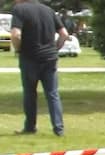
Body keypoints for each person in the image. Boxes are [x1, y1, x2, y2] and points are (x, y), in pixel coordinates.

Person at [10, 0, 68, 137]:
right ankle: (58, 128)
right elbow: (64, 34)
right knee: (52, 93)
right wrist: (56, 48)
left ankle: (30, 127)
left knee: (30, 93)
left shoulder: (19, 9)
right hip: (50, 58)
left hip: (30, 57)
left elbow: (16, 34)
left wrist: (18, 49)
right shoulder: (48, 10)